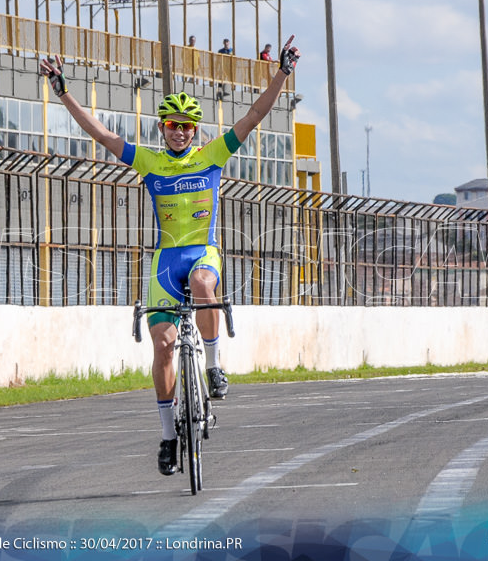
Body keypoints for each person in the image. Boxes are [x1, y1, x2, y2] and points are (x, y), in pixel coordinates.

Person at [40, 36, 301, 476]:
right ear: (162, 128)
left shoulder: (213, 155)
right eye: (172, 125)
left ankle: (215, 367)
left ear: (195, 132)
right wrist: (63, 91)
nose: (179, 131)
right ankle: (167, 437)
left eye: (186, 126)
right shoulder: (149, 162)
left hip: (202, 253)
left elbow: (255, 115)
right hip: (165, 261)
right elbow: (100, 133)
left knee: (203, 286)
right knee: (163, 348)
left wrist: (282, 72)